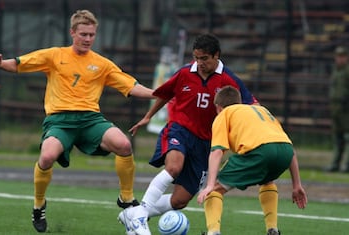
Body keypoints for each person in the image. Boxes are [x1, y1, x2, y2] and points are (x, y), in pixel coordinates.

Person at [0, 9, 155, 233]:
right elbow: (19, 64)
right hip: (59, 120)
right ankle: (39, 205)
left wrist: (157, 93)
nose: (88, 39)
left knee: (123, 144)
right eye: (83, 34)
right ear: (72, 33)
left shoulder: (102, 64)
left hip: (90, 120)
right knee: (47, 157)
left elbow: (131, 86)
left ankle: (126, 198)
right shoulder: (54, 55)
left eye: (92, 35)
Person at [118, 33, 258, 235]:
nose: (199, 63)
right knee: (174, 167)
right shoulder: (184, 73)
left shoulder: (229, 79)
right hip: (180, 129)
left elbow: (251, 104)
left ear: (216, 55)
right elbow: (166, 93)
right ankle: (140, 215)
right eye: (196, 58)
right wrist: (148, 116)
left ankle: (134, 214)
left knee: (180, 200)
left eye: (204, 59)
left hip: (206, 143)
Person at [197, 86, 308, 235]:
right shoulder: (262, 110)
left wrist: (209, 185)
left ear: (218, 107)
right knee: (267, 180)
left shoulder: (224, 114)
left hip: (260, 151)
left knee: (215, 190)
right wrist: (297, 185)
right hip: (285, 151)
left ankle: (213, 232)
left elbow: (217, 151)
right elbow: (289, 148)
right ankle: (272, 229)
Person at [326, 46, 349, 173]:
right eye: (338, 56)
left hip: (346, 109)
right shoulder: (336, 71)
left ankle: (347, 165)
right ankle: (335, 163)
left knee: (347, 137)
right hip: (336, 108)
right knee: (337, 138)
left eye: (342, 56)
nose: (340, 59)